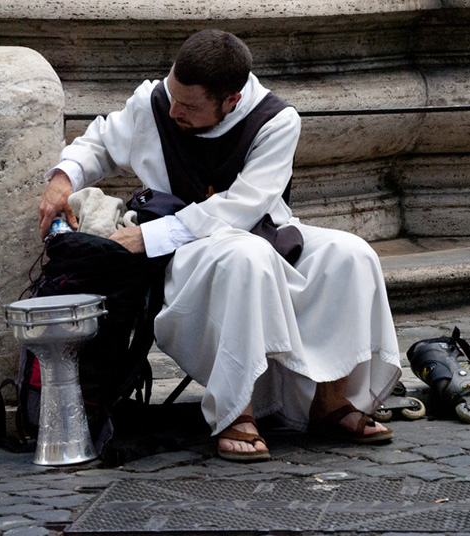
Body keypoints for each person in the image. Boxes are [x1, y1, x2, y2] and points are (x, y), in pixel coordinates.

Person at [37, 29, 402, 462]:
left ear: (231, 100)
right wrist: (63, 179)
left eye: (189, 106)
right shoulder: (155, 103)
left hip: (253, 231)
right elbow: (98, 143)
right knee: (246, 258)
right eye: (173, 95)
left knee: (352, 254)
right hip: (189, 255)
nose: (173, 111)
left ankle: (331, 401)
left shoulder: (275, 120)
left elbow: (244, 206)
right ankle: (235, 412)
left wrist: (150, 236)